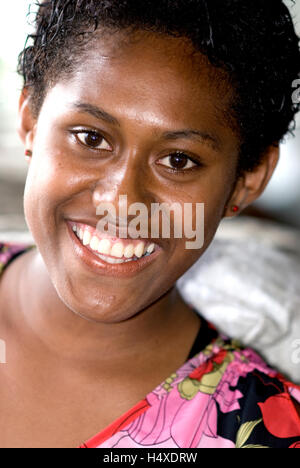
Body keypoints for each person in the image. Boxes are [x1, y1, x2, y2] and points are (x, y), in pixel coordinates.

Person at [0, 0, 299, 448]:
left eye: (178, 160)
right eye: (91, 137)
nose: (121, 200)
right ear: (29, 120)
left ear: (245, 182)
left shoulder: (265, 430)